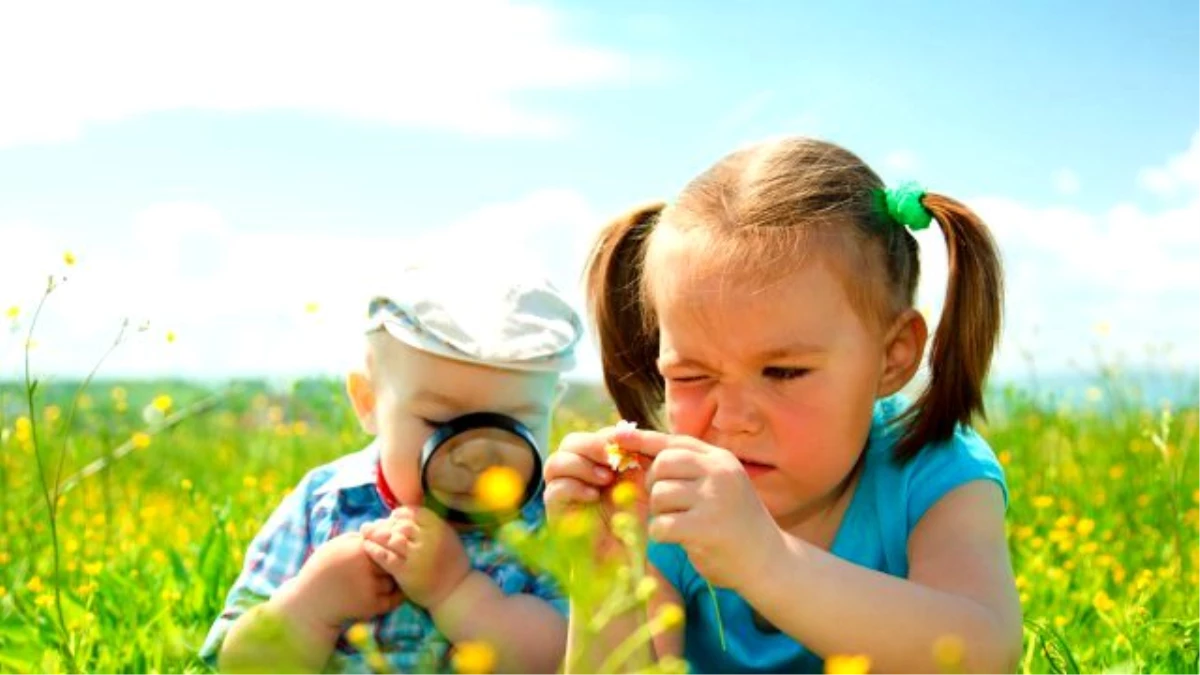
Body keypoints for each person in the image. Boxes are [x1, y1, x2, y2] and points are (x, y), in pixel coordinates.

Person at [544, 136, 1022, 673]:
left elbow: (985, 654)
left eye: (784, 372)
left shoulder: (933, 470)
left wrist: (765, 562)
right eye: (691, 374)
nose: (732, 421)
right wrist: (604, 578)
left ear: (891, 357)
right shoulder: (668, 499)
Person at [201, 258, 582, 673]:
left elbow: (567, 661)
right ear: (368, 402)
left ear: (552, 407)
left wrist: (456, 592)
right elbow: (238, 664)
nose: (477, 455)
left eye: (517, 424)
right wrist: (311, 602)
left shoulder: (553, 521)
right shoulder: (325, 503)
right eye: (439, 423)